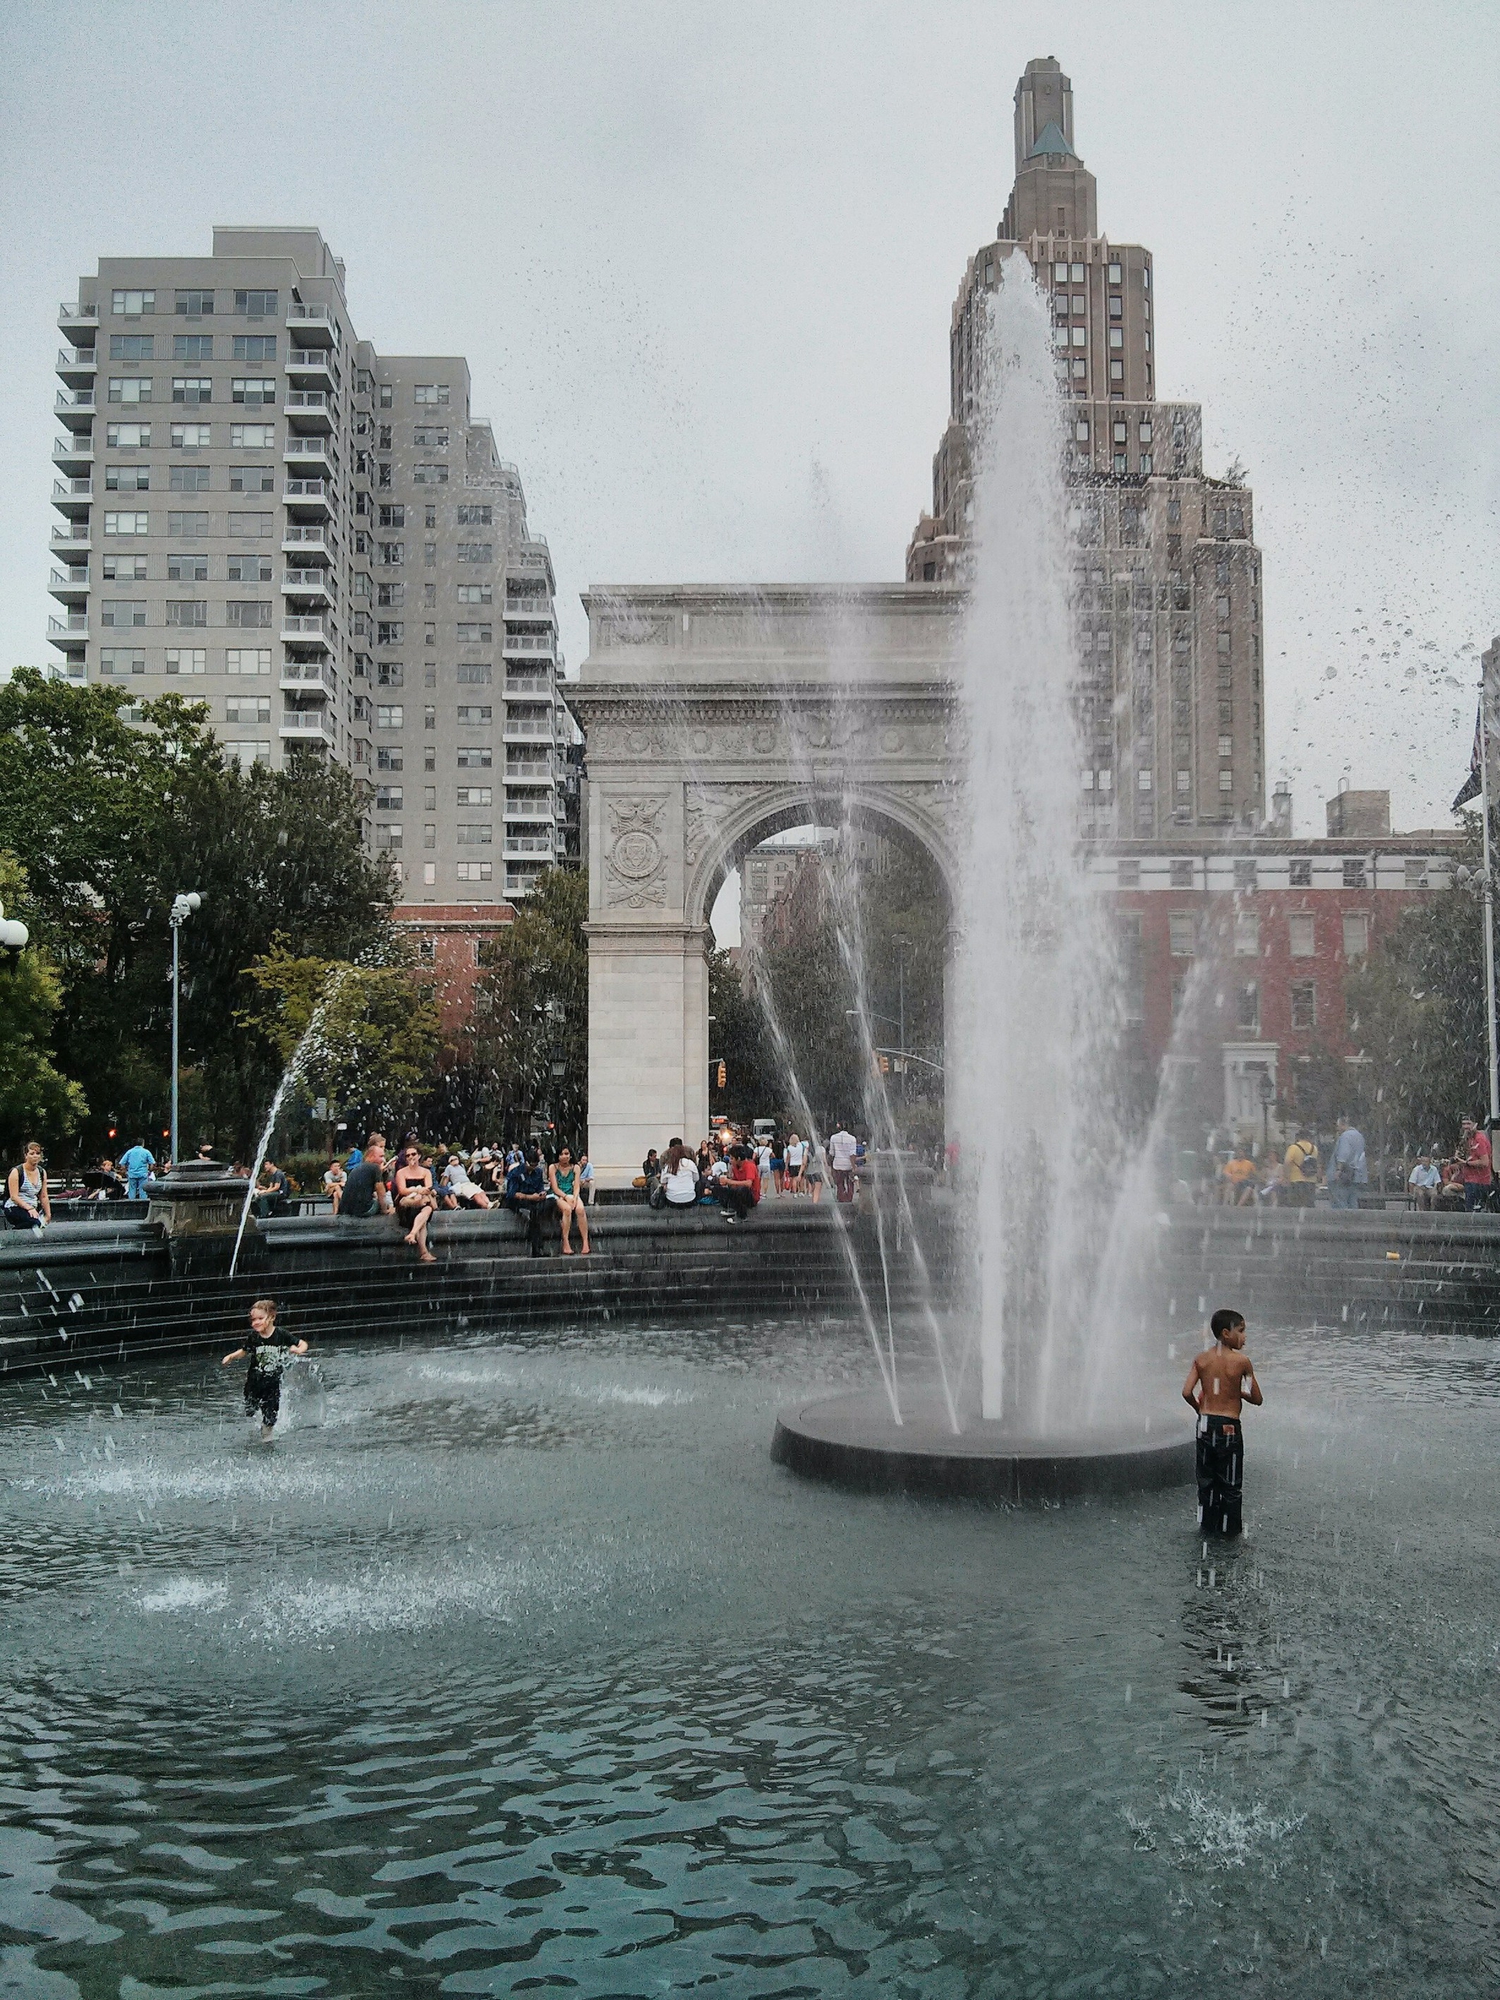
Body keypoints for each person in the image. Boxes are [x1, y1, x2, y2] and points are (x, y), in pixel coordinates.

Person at [1181, 1306, 1263, 1537]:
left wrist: (1201, 1411)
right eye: (1242, 1330)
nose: (1245, 1337)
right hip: (1228, 1426)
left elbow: (1187, 1392)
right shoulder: (1242, 1362)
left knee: (1206, 1482)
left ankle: (1207, 1528)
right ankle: (1231, 1533)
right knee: (1231, 1485)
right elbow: (1257, 1398)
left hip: (1205, 1425)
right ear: (1226, 1333)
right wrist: (1239, 1394)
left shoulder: (1202, 1359)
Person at [221, 1298, 308, 1441]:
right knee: (250, 1409)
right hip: (254, 1381)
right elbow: (244, 1351)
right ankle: (259, 1421)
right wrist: (231, 1356)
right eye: (253, 1320)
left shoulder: (281, 1335)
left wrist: (299, 1350)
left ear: (272, 1317)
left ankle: (267, 1435)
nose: (256, 1322)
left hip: (272, 1382)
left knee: (270, 1413)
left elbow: (302, 1343)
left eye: (260, 1318)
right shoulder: (254, 1337)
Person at [390, 1144, 438, 1262]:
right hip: (407, 1204)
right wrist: (416, 1190)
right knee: (423, 1210)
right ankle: (424, 1252)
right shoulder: (401, 1172)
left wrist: (421, 1193)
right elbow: (402, 1190)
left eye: (413, 1154)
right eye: (408, 1155)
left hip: (422, 1201)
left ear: (419, 1156)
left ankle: (412, 1234)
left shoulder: (426, 1172)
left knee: (426, 1209)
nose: (411, 1157)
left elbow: (428, 1188)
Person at [504, 1146, 554, 1256]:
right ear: (526, 1162)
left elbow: (540, 1187)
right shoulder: (515, 1172)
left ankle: (535, 1213)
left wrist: (542, 1194)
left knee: (551, 1202)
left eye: (535, 1165)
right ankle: (537, 1248)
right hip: (519, 1201)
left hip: (534, 1200)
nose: (533, 1168)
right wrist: (529, 1197)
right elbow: (512, 1193)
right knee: (532, 1215)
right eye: (531, 1165)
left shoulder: (538, 1172)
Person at [339, 1132, 392, 1222]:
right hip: (363, 1210)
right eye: (381, 1156)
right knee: (387, 1203)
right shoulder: (375, 1168)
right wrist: (385, 1210)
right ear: (371, 1156)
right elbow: (381, 1193)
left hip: (346, 1210)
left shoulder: (359, 1167)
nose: (383, 1159)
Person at [549, 1146, 591, 1254]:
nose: (564, 1156)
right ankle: (566, 1242)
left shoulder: (576, 1167)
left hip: (572, 1194)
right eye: (561, 1154)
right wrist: (565, 1197)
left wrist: (575, 1198)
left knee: (580, 1209)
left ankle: (585, 1242)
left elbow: (576, 1186)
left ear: (570, 1155)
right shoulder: (553, 1167)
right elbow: (555, 1188)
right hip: (558, 1195)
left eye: (566, 1153)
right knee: (567, 1209)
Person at [5, 1141, 52, 1231]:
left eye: (38, 1153)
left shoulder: (42, 1172)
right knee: (35, 1223)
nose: (35, 1156)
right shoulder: (17, 1171)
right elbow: (14, 1196)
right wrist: (29, 1208)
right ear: (26, 1155)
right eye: (32, 1153)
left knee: (39, 1224)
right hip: (15, 1207)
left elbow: (44, 1196)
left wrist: (48, 1214)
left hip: (32, 1207)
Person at [1327, 1115, 1367, 1211]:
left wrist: (1338, 1170)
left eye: (1338, 1126)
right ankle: (1353, 1222)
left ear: (1342, 1125)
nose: (1337, 1129)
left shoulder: (1345, 1136)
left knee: (1339, 1201)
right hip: (1356, 1175)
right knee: (1352, 1200)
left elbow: (1343, 1153)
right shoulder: (1359, 1136)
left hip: (1343, 1176)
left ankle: (1343, 1223)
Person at [714, 1143, 761, 1223]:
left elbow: (748, 1183)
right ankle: (730, 1207)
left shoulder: (750, 1166)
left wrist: (729, 1181)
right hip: (738, 1191)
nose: (730, 1160)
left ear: (738, 1159)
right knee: (718, 1189)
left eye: (732, 1158)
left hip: (751, 1196)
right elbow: (734, 1182)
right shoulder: (735, 1167)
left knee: (742, 1189)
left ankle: (741, 1216)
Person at [1458, 1116, 1494, 1213]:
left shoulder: (1479, 1139)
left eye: (1468, 1124)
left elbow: (1484, 1162)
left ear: (1475, 1125)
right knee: (1469, 1210)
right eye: (1463, 1124)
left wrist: (1466, 1163)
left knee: (1473, 1212)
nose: (1466, 1127)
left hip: (1479, 1182)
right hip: (1469, 1180)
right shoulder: (1468, 1139)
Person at [658, 1138, 700, 1211]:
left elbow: (663, 1181)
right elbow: (696, 1178)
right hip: (690, 1199)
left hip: (672, 1200)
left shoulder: (667, 1165)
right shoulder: (690, 1162)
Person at [1282, 1130, 1319, 1210]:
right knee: (1309, 1204)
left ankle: (1297, 1221)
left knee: (1295, 1204)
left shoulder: (1293, 1147)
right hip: (1311, 1180)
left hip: (1296, 1179)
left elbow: (1287, 1162)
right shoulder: (1314, 1148)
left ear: (1298, 1137)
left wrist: (1286, 1177)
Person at [827, 1122, 859, 1204]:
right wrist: (853, 1166)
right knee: (850, 1182)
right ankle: (849, 1198)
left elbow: (832, 1153)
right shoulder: (852, 1139)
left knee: (839, 1183)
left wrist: (829, 1164)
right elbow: (852, 1154)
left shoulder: (833, 1138)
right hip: (848, 1164)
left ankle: (841, 1198)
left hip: (837, 1164)